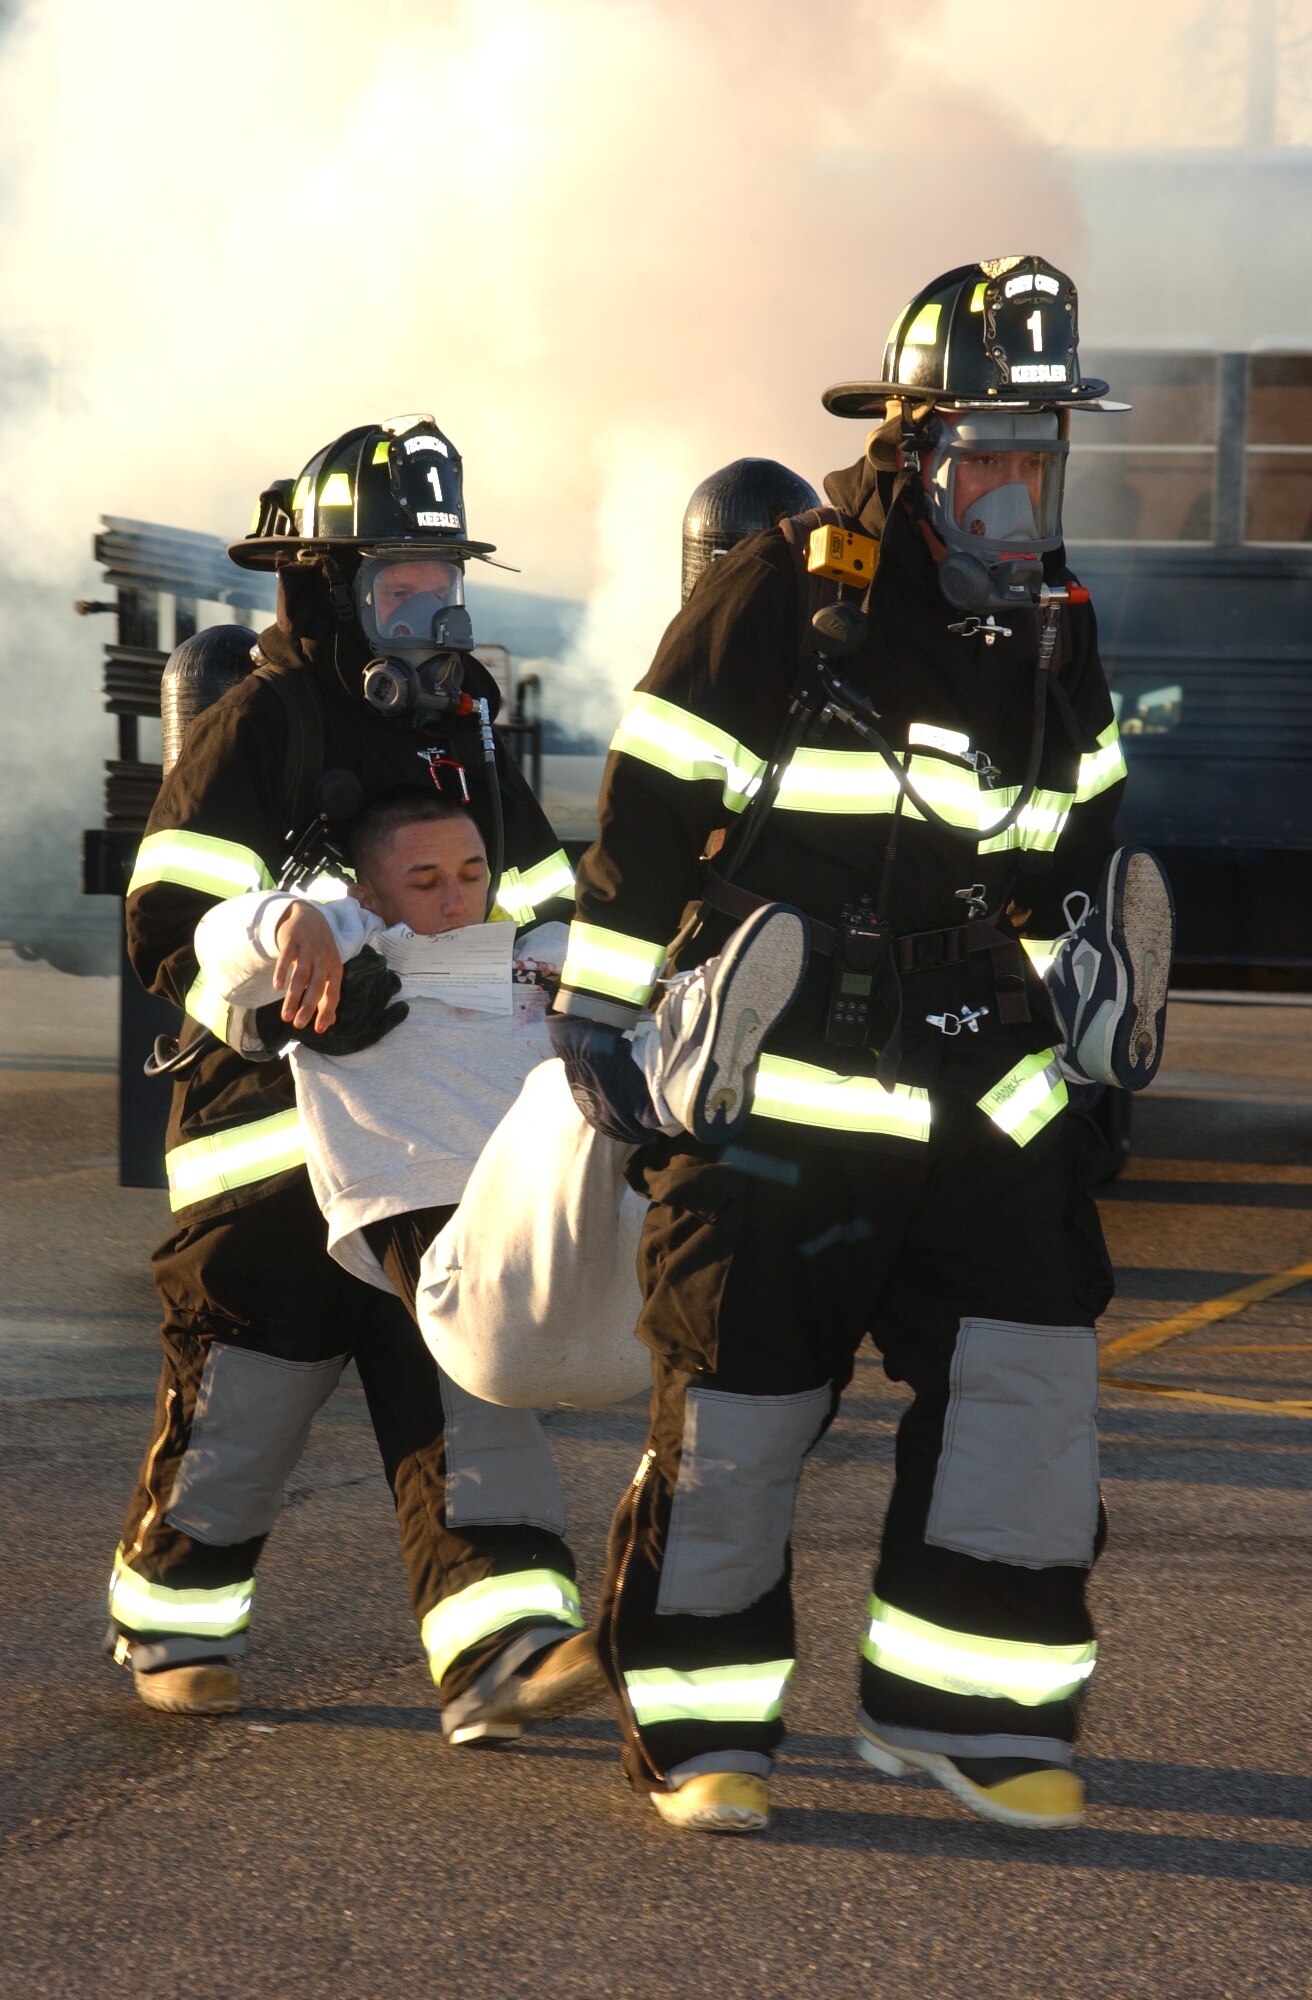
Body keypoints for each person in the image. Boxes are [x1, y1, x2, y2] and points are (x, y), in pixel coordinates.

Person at [550, 256, 1174, 1835]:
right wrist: (603, 1025)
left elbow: (1070, 853)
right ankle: (704, 1731)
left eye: (1044, 461)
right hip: (785, 1074)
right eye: (991, 459)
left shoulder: (1055, 630)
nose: (1019, 497)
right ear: (912, 446)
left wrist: (1085, 1032)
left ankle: (966, 1714)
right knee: (746, 1402)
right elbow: (650, 814)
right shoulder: (784, 592)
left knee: (1031, 1375)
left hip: (983, 1070)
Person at [106, 415, 595, 1740]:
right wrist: (286, 983)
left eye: (442, 584)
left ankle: (503, 1636)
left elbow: (541, 898)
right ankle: (173, 1617)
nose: (428, 614)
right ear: (328, 589)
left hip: (430, 1141)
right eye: (400, 587)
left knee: (460, 1352)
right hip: (266, 1144)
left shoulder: (467, 730)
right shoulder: (260, 723)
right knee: (247, 1395)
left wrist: (571, 987)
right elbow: (167, 913)